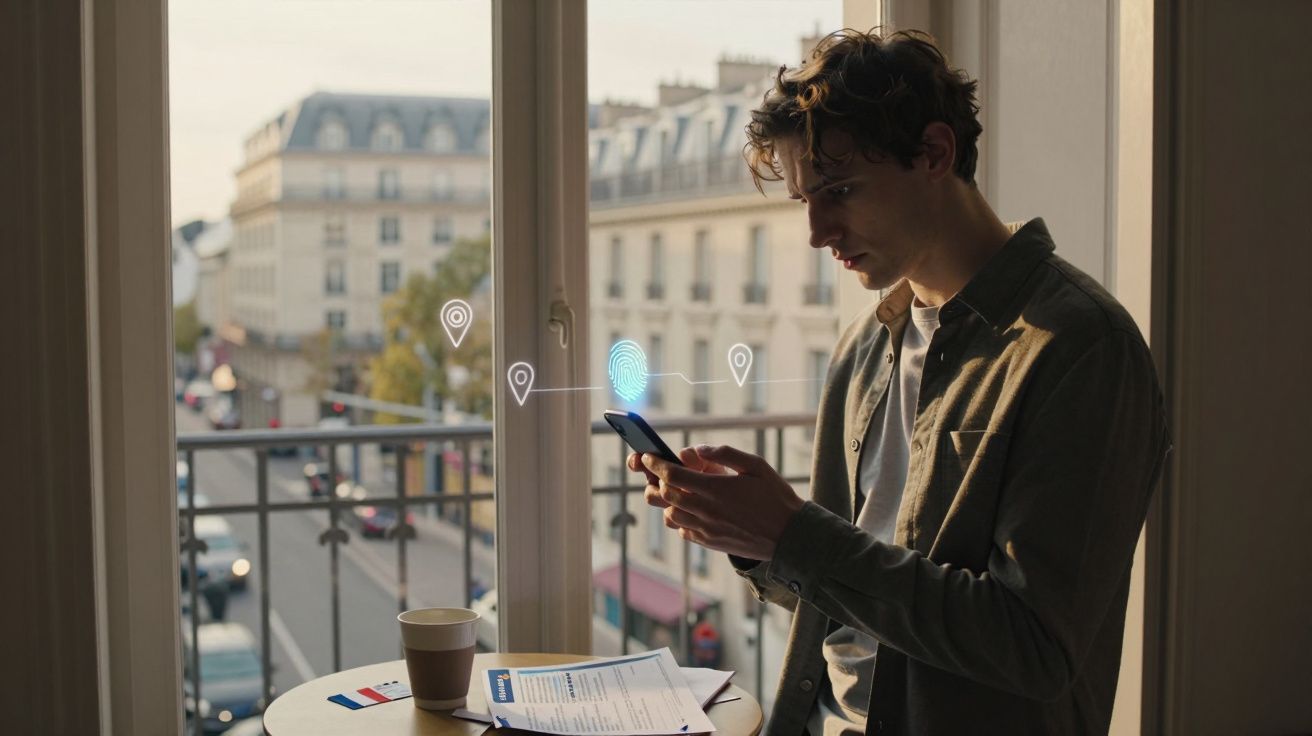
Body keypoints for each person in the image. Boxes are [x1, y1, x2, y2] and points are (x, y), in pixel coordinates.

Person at [626, 28, 1170, 736]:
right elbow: (848, 590)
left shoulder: (1081, 349)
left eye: (841, 191)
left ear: (935, 154)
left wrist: (795, 533)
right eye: (804, 202)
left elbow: (1035, 647)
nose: (819, 233)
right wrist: (749, 532)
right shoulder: (867, 347)